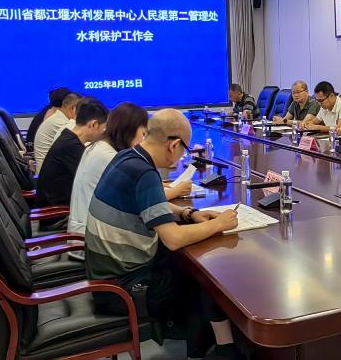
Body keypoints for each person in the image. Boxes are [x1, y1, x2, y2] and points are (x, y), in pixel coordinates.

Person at [85, 109, 243, 359]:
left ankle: (213, 345)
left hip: (105, 277)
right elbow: (173, 239)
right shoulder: (144, 173)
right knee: (205, 273)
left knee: (193, 262)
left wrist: (189, 214)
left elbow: (152, 204)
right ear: (173, 145)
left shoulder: (127, 157)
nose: (182, 157)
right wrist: (219, 224)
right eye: (184, 150)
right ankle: (220, 349)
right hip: (125, 289)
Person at [68, 103, 192, 252]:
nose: (144, 140)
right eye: (144, 134)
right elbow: (173, 238)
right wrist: (176, 191)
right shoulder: (112, 157)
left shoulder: (106, 150)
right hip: (89, 243)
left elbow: (145, 201)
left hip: (94, 238)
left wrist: (184, 212)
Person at [35, 97, 109, 208]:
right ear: (93, 124)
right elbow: (96, 179)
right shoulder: (71, 147)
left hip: (63, 204)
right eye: (104, 128)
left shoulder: (68, 138)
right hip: (58, 212)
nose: (104, 133)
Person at [34, 92, 79, 173]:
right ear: (73, 108)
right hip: (48, 173)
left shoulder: (59, 118)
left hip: (49, 169)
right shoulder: (60, 123)